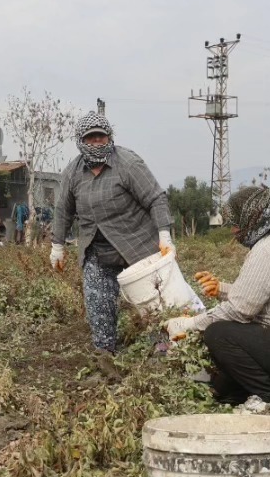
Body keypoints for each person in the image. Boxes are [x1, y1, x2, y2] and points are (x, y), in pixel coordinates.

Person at [166, 187, 270, 409]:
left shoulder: (267, 249)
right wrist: (221, 288)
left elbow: (241, 309)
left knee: (220, 334)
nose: (234, 230)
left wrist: (189, 324)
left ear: (255, 218)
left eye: (237, 222)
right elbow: (263, 293)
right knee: (222, 392)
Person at [50, 111, 191, 353]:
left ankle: (166, 351)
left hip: (137, 246)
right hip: (97, 250)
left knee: (151, 304)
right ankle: (106, 353)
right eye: (91, 138)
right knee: (99, 305)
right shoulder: (73, 173)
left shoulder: (127, 163)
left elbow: (156, 198)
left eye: (101, 137)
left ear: (109, 138)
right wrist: (57, 246)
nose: (96, 142)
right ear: (81, 141)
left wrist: (164, 235)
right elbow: (63, 210)